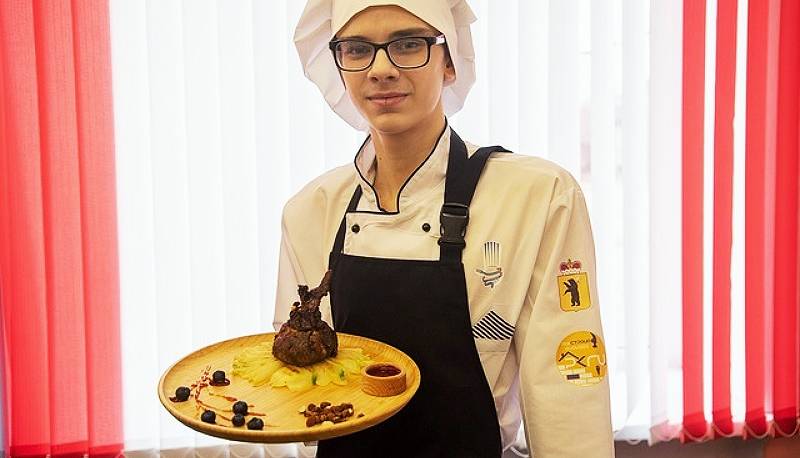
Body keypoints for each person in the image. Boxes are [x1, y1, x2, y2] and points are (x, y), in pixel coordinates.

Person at [275, 1, 614, 456]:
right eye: (357, 49)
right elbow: (297, 384)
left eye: (408, 44)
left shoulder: (535, 196)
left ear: (450, 61)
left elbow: (567, 391)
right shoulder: (311, 210)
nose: (381, 69)